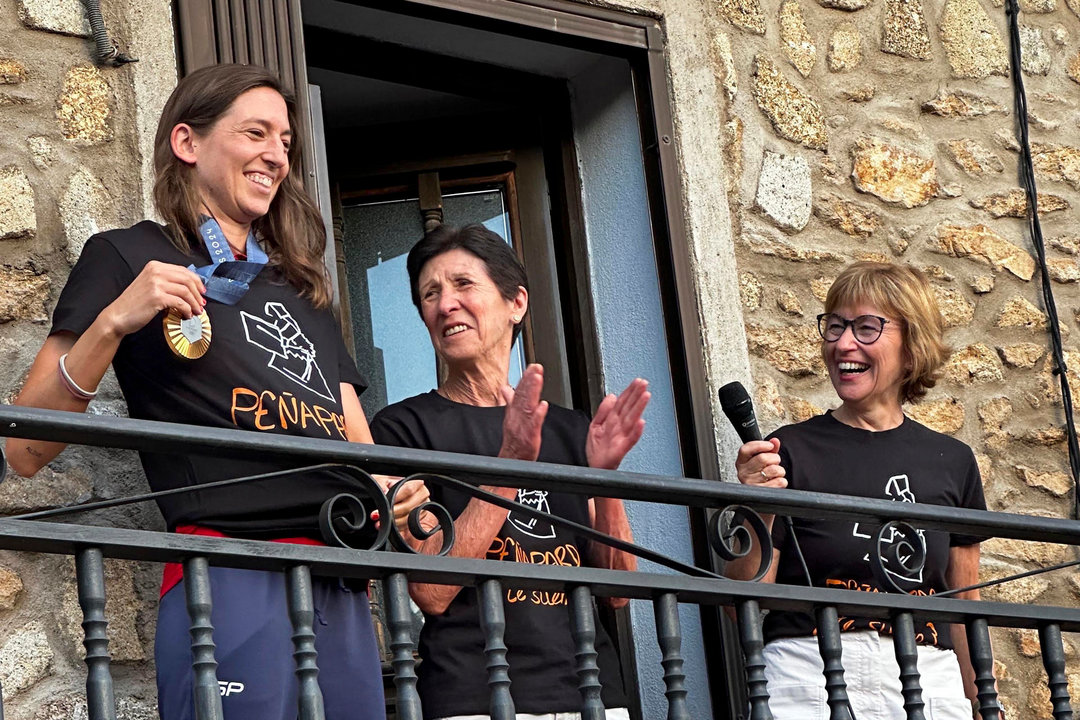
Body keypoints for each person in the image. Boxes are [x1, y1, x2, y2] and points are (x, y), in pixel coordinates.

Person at [8, 64, 427, 720]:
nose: (275, 155)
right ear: (187, 142)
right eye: (255, 132)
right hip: (230, 576)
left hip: (342, 587)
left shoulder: (303, 291)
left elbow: (359, 447)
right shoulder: (126, 256)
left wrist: (394, 492)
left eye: (285, 142)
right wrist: (115, 320)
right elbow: (27, 445)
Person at [370, 224, 649, 720]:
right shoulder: (403, 428)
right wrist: (511, 464)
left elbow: (618, 591)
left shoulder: (568, 429)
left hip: (593, 694)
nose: (445, 304)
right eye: (429, 294)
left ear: (515, 303)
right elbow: (433, 592)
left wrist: (606, 480)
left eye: (462, 284)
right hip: (473, 697)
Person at [726, 261, 995, 720]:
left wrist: (984, 701)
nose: (843, 343)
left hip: (926, 676)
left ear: (912, 348)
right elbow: (741, 603)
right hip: (809, 672)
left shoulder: (952, 461)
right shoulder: (789, 448)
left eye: (867, 327)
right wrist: (758, 503)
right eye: (835, 326)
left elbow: (964, 602)